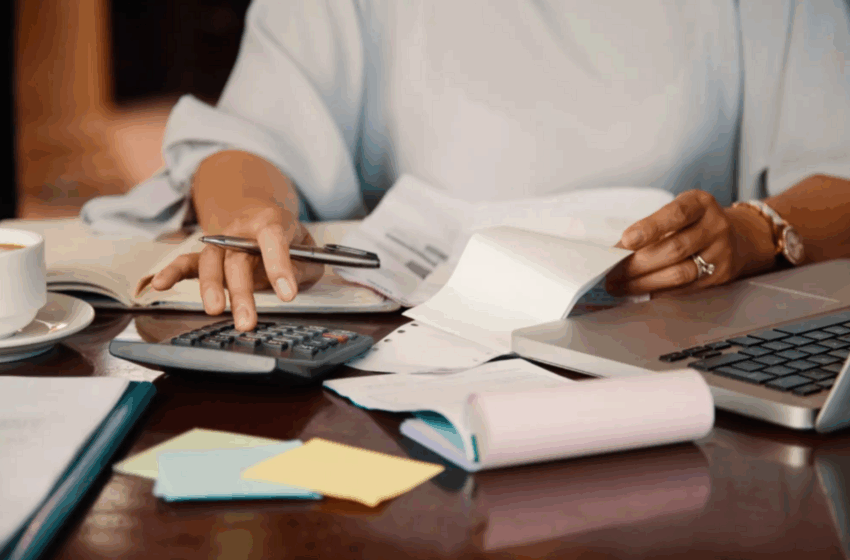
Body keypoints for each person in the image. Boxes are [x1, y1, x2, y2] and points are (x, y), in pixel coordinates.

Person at [81, 0, 850, 331]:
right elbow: (247, 141)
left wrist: (751, 234)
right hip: (411, 356)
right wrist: (251, 213)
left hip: (674, 356)